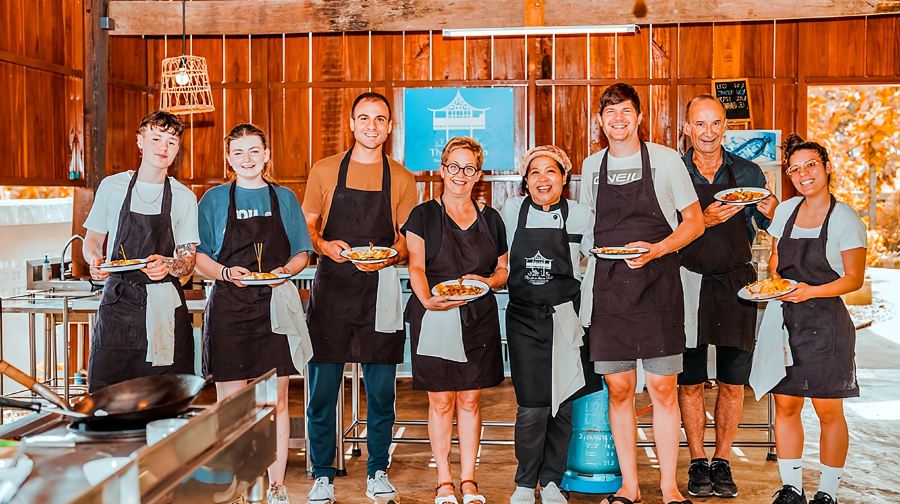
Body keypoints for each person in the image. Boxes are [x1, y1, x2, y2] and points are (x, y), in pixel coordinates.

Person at [579, 83, 704, 504]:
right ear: (600, 121)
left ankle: (669, 487)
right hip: (610, 291)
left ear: (639, 117)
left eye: (626, 111)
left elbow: (694, 223)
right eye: (610, 112)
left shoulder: (667, 162)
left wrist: (658, 250)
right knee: (618, 389)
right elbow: (590, 226)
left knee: (663, 389)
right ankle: (629, 486)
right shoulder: (592, 166)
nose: (618, 119)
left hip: (658, 289)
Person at [302, 92, 417, 504]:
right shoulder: (325, 171)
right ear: (351, 124)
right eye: (364, 118)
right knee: (322, 393)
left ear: (389, 127)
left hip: (380, 290)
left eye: (380, 119)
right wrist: (326, 246)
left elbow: (407, 240)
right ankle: (321, 474)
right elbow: (309, 229)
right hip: (331, 290)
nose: (372, 126)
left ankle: (378, 470)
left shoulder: (402, 178)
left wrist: (391, 254)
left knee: (383, 391)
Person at [196, 123, 313, 504]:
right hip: (229, 308)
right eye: (238, 152)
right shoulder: (212, 200)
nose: (247, 159)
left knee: (275, 402)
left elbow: (301, 253)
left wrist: (285, 272)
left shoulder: (285, 198)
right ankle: (240, 487)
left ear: (266, 155)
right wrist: (226, 273)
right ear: (229, 159)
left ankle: (276, 486)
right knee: (232, 405)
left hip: (274, 308)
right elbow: (200, 259)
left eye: (254, 151)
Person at [677, 95, 778, 498]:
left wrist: (771, 207)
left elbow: (770, 220)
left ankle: (722, 459)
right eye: (699, 124)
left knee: (733, 383)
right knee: (690, 382)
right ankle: (698, 461)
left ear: (725, 127)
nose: (708, 132)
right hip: (686, 282)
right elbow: (662, 229)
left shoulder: (748, 171)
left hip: (737, 283)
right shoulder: (673, 171)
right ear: (687, 128)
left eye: (715, 124)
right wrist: (700, 220)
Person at [403, 137, 509, 504]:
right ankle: (444, 480)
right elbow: (415, 265)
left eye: (469, 169)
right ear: (442, 169)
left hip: (478, 316)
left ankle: (469, 479)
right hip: (434, 315)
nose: (460, 175)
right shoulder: (423, 215)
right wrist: (427, 300)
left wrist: (490, 282)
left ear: (478, 174)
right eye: (454, 167)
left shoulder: (491, 219)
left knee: (470, 400)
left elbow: (502, 269)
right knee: (441, 401)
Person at [765, 135, 866, 504]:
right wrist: (778, 281)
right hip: (786, 320)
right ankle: (792, 487)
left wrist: (809, 290)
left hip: (827, 325)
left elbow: (853, 279)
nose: (803, 173)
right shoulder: (785, 211)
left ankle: (827, 492)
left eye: (811, 165)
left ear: (826, 168)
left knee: (827, 409)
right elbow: (775, 261)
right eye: (795, 168)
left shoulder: (844, 217)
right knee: (787, 405)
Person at [502, 145, 602, 504]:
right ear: (525, 181)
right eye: (535, 173)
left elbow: (592, 261)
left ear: (564, 178)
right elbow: (503, 260)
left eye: (551, 172)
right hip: (524, 319)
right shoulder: (513, 211)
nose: (543, 179)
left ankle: (553, 481)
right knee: (532, 405)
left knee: (563, 401)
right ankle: (525, 483)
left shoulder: (580, 214)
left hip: (565, 318)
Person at [83, 110, 198, 392]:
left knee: (164, 396)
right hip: (118, 302)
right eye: (156, 138)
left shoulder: (184, 197)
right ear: (140, 141)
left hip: (163, 307)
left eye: (171, 142)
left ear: (177, 149)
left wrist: (169, 265)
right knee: (106, 395)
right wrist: (95, 260)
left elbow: (188, 260)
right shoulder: (112, 187)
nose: (163, 147)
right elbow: (93, 241)